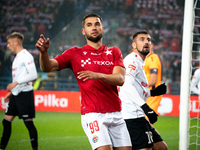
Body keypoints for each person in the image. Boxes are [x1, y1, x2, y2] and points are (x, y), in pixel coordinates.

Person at [35, 13, 132, 150]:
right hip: (93, 113)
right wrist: (44, 53)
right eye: (89, 25)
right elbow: (47, 67)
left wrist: (97, 75)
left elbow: (120, 79)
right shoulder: (74, 53)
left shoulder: (114, 51)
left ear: (103, 29)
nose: (94, 27)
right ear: (83, 31)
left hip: (116, 112)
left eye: (97, 24)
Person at [118, 30, 168, 150]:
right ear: (134, 45)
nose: (146, 42)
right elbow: (127, 86)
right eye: (142, 39)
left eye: (148, 40)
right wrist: (146, 108)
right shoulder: (132, 61)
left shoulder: (140, 62)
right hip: (131, 117)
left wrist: (153, 92)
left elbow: (136, 88)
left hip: (139, 116)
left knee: (161, 148)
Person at [0, 32, 38, 150]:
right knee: (6, 122)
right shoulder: (16, 57)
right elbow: (19, 77)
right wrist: (11, 92)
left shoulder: (26, 55)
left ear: (16, 42)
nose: (7, 45)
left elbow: (33, 75)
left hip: (25, 94)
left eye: (9, 43)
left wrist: (14, 84)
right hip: (16, 94)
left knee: (28, 124)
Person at [144, 38, 163, 115]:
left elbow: (153, 80)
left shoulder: (153, 58)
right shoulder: (146, 59)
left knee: (146, 121)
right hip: (146, 93)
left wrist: (139, 87)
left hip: (153, 93)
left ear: (151, 46)